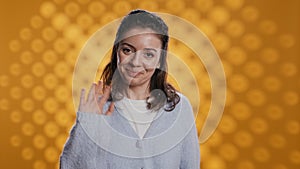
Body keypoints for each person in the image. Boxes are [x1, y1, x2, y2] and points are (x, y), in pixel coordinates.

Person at [60, 9, 200, 169]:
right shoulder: (98, 108)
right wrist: (87, 123)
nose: (135, 62)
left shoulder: (180, 108)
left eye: (148, 54)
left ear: (160, 60)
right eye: (127, 50)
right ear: (116, 52)